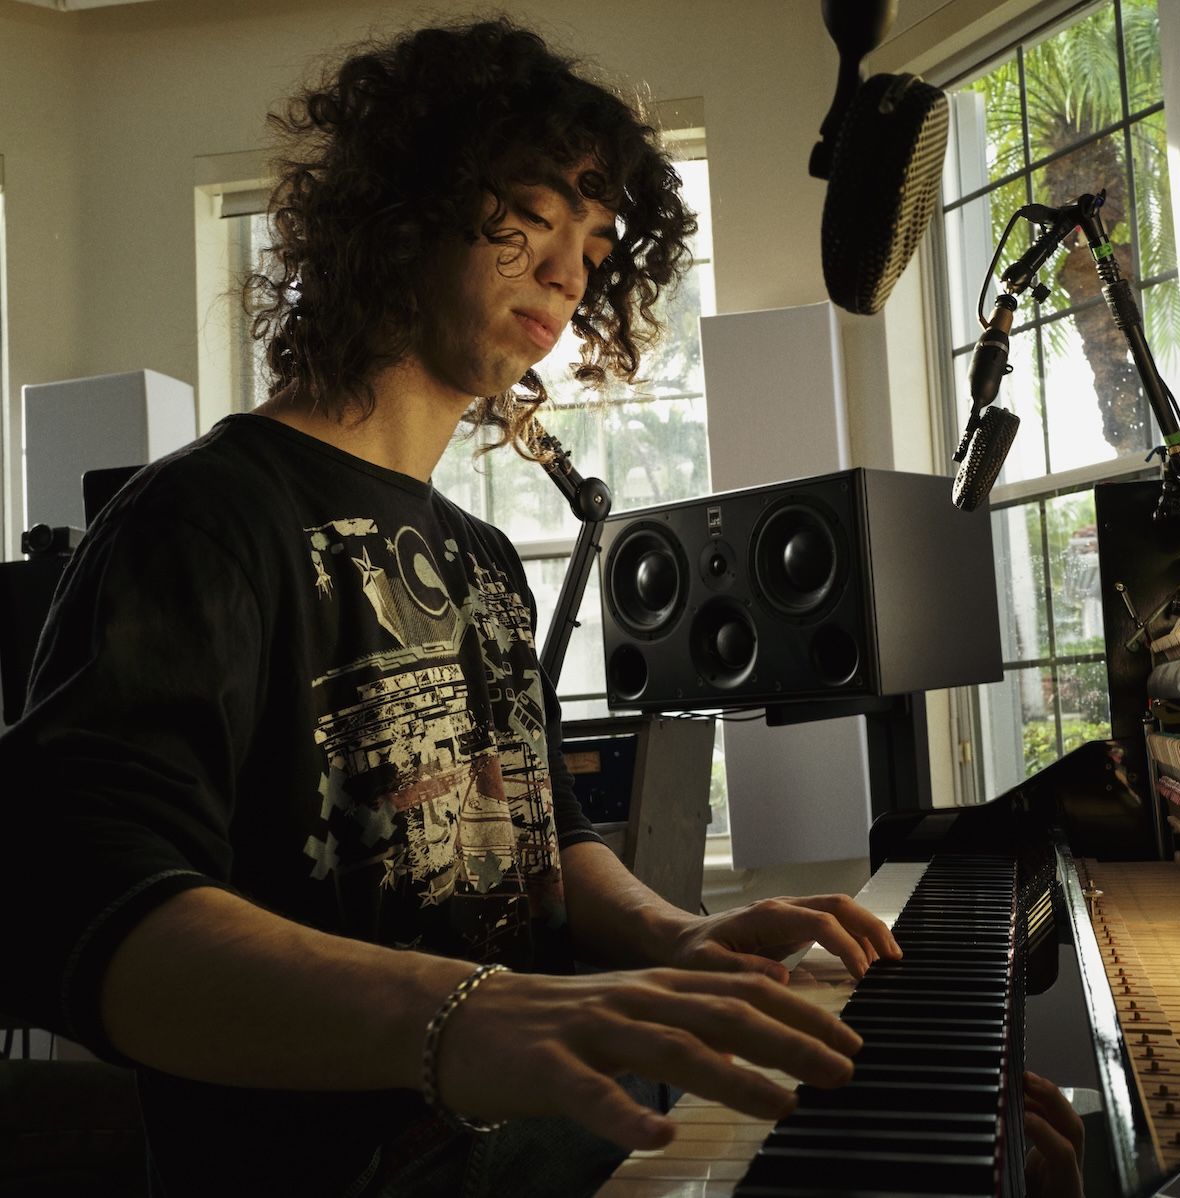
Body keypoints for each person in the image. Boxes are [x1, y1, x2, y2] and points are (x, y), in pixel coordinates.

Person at [0, 17, 1084, 1197]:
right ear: (406, 205)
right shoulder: (202, 520)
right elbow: (80, 901)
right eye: (533, 212)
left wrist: (679, 935)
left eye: (596, 239)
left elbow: (543, 835)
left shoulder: (481, 559)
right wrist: (463, 1014)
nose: (571, 270)